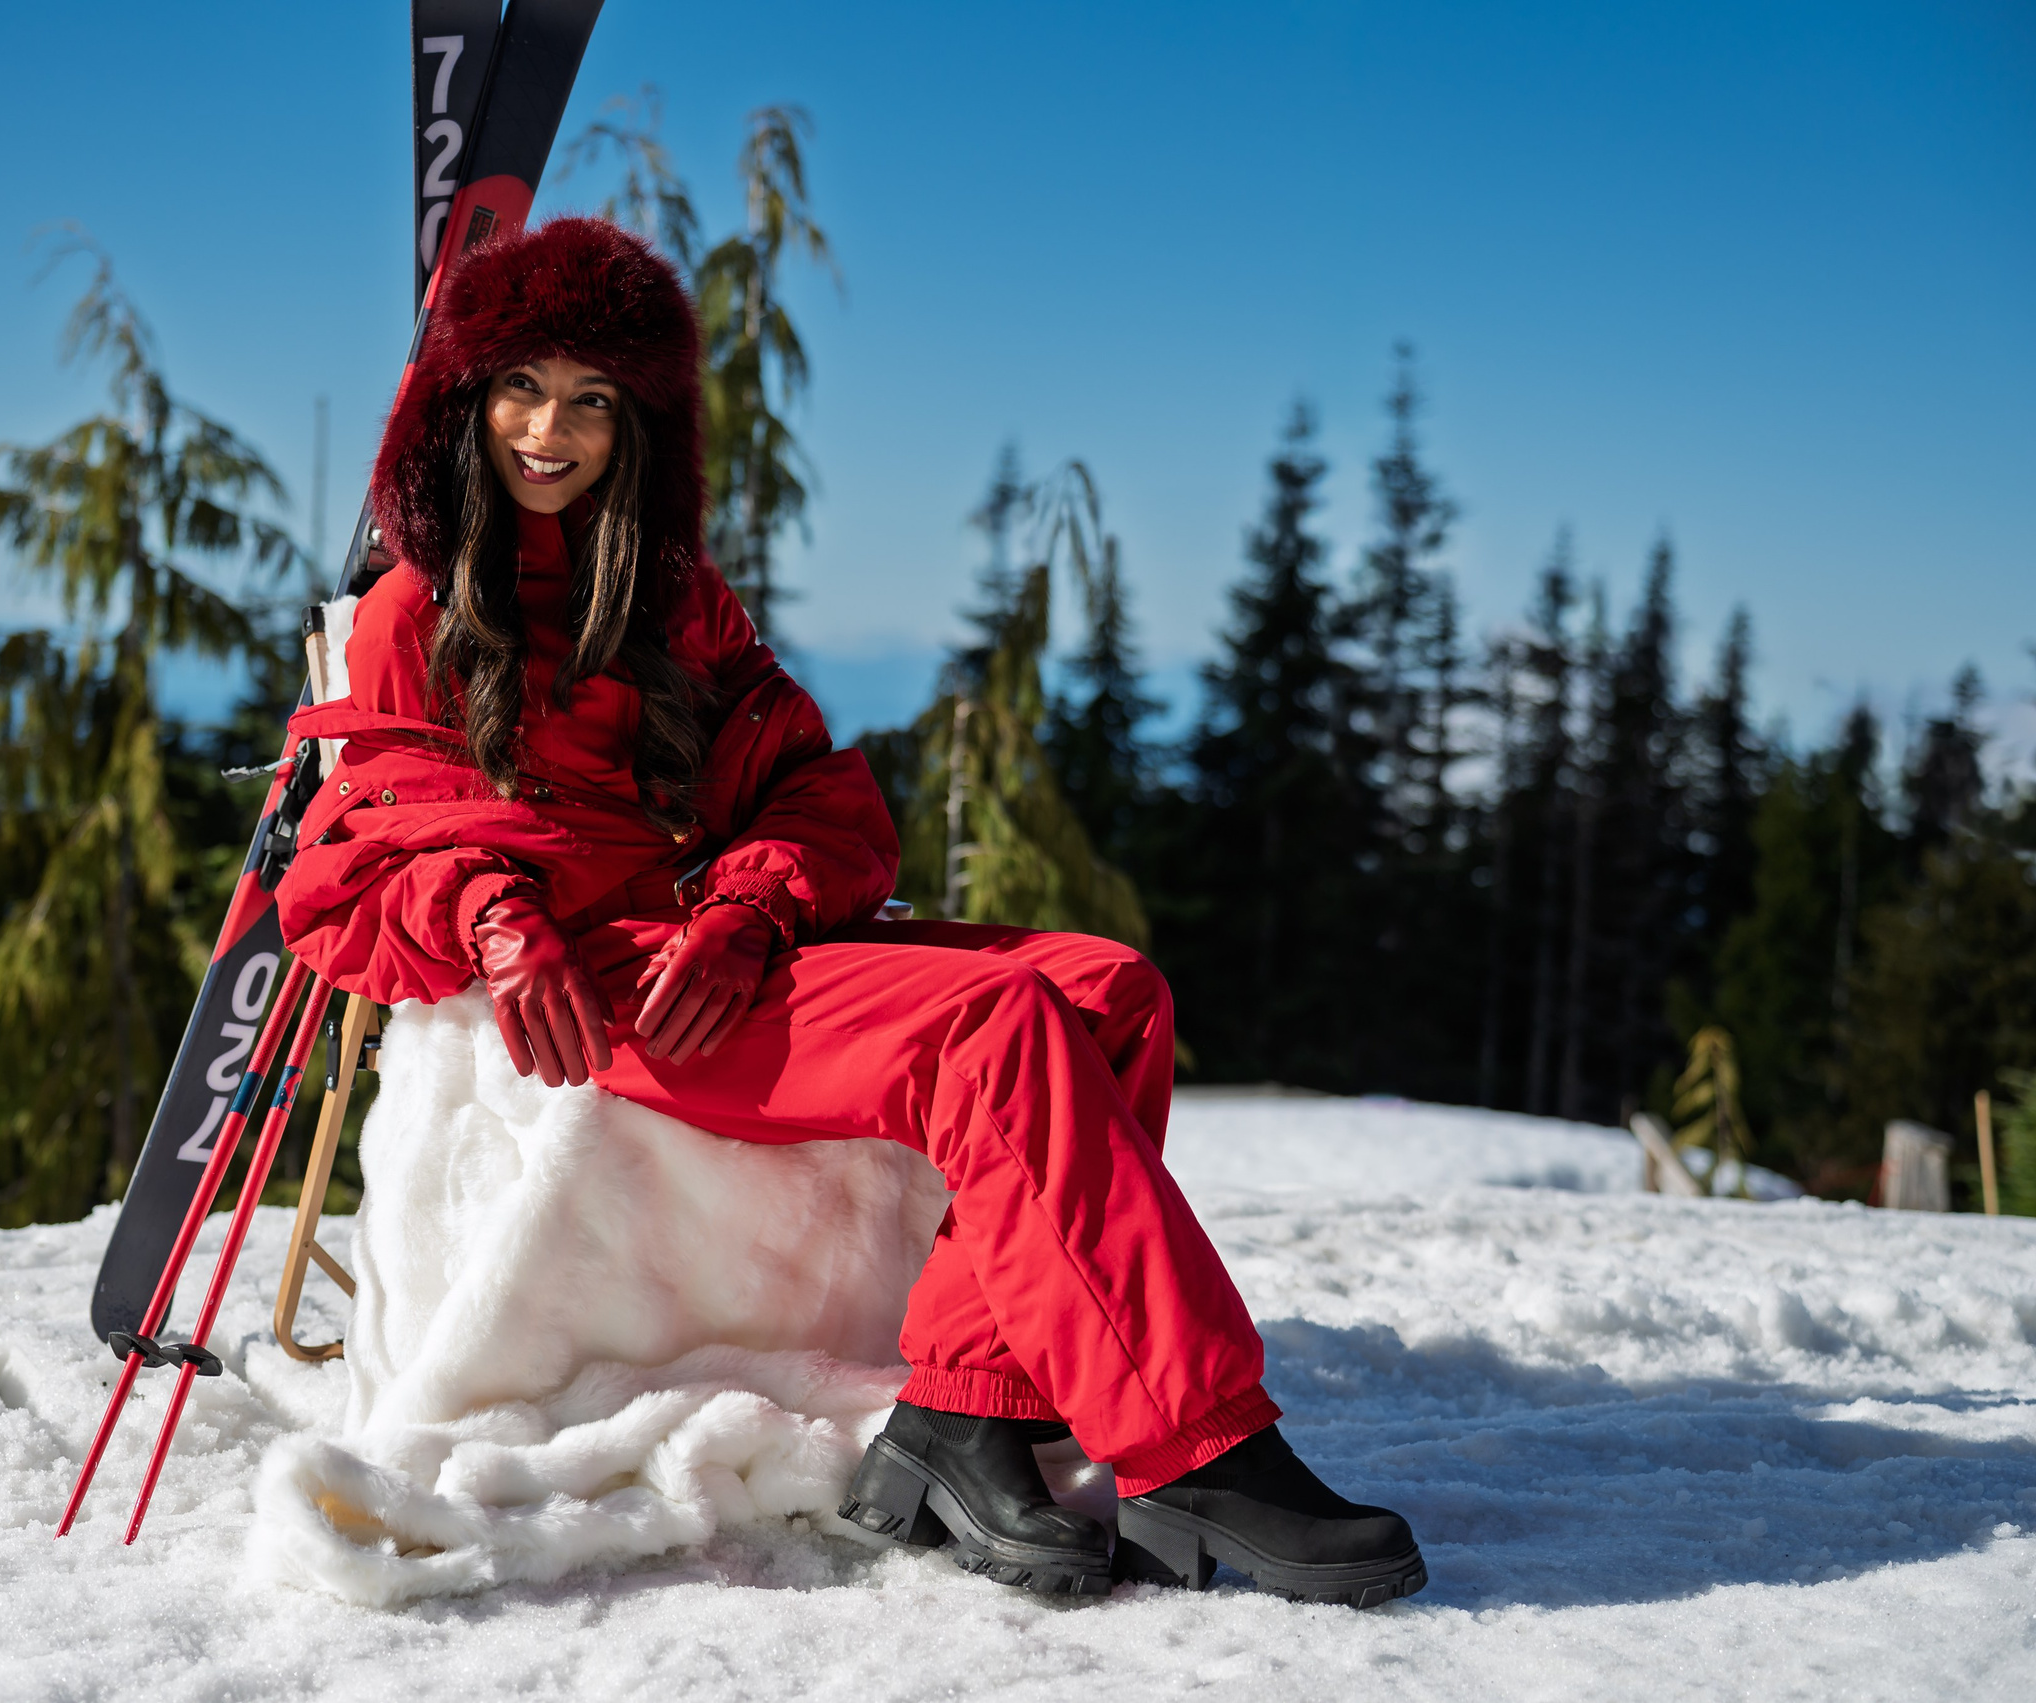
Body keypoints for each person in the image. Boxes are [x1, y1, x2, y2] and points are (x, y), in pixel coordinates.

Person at [276, 217, 1425, 1607]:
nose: (550, 430)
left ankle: (967, 1407)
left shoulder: (673, 601)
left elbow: (814, 791)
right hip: (605, 990)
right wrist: (499, 924)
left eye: (592, 399)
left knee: (1110, 987)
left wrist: (757, 905)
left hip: (716, 954)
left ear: (639, 424)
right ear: (466, 400)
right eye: (523, 387)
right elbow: (365, 848)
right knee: (993, 1027)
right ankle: (1196, 1447)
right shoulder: (414, 613)